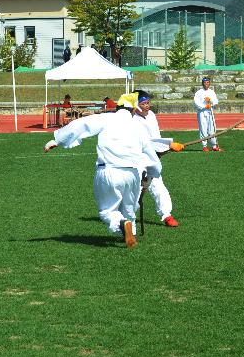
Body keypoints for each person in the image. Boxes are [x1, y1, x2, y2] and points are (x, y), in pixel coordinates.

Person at [44, 92, 180, 248]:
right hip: (133, 174)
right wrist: (151, 175)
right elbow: (151, 157)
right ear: (133, 110)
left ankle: (121, 224)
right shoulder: (138, 126)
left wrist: (58, 140)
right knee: (129, 209)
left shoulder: (107, 118)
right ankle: (131, 233)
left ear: (118, 107)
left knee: (107, 211)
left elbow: (81, 125)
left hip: (109, 171)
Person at [132, 90, 180, 227]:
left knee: (158, 185)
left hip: (152, 158)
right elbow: (146, 142)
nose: (147, 106)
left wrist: (162, 150)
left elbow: (156, 136)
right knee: (136, 189)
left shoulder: (151, 115)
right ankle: (126, 217)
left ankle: (167, 215)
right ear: (136, 105)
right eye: (143, 103)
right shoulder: (133, 120)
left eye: (148, 103)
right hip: (138, 160)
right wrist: (169, 145)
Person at [193, 76, 221, 152]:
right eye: (205, 82)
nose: (206, 84)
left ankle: (214, 146)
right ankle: (204, 146)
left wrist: (210, 101)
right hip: (202, 112)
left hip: (210, 112)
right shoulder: (198, 93)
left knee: (212, 129)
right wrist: (204, 106)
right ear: (202, 83)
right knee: (203, 128)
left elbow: (216, 101)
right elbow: (196, 103)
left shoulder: (212, 92)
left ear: (209, 83)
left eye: (208, 82)